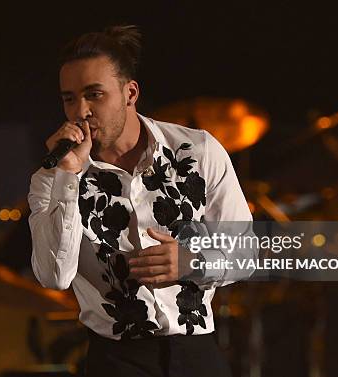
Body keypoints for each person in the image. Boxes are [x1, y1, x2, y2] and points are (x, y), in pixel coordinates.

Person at [28, 25, 255, 377]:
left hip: (196, 352)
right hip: (117, 359)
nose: (80, 111)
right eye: (69, 98)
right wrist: (68, 177)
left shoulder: (198, 150)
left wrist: (191, 262)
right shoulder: (53, 179)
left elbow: (245, 252)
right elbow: (54, 276)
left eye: (94, 95)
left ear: (130, 93)